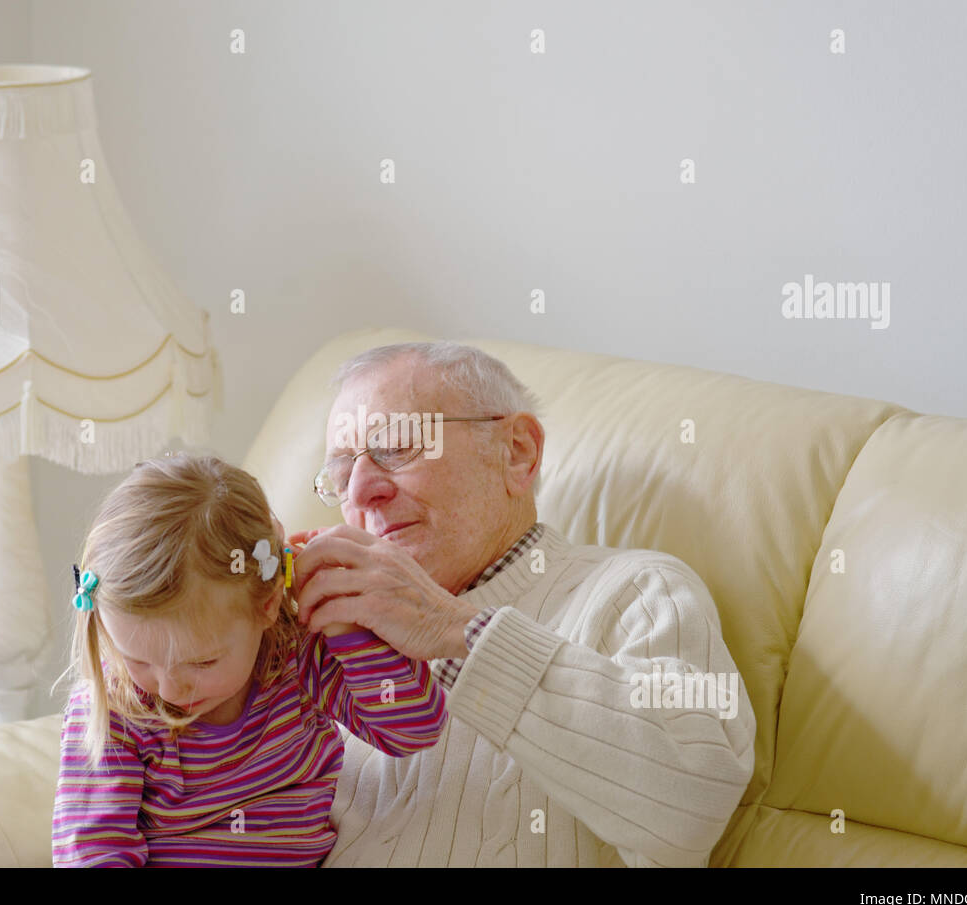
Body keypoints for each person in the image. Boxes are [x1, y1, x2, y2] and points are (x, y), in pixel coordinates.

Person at [288, 341, 756, 867]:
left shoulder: (639, 590)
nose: (361, 491)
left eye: (396, 446)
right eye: (340, 474)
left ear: (516, 452)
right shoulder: (325, 642)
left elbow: (690, 806)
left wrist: (451, 628)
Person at [50, 453, 448, 866]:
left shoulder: (294, 659)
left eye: (201, 663)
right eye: (138, 660)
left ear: (268, 605)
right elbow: (95, 853)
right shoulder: (114, 707)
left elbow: (413, 731)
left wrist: (344, 623)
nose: (169, 689)